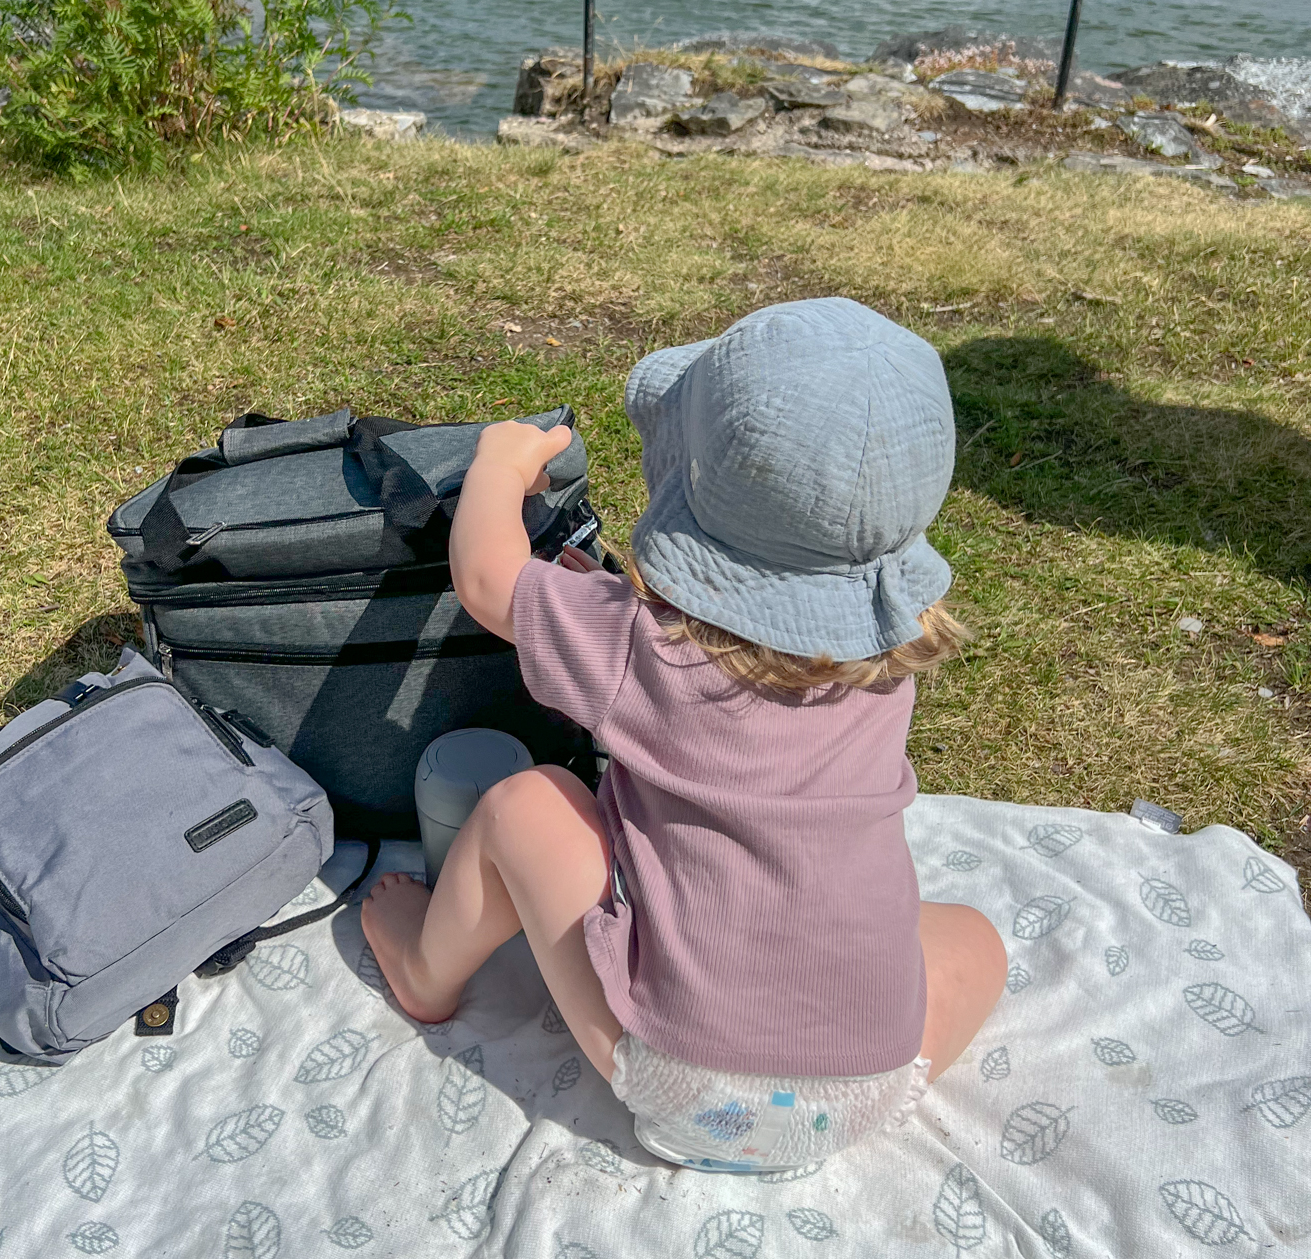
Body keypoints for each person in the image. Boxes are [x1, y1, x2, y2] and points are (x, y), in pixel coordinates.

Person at [362, 298, 1006, 1172]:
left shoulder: (634, 645)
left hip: (679, 1082)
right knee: (974, 939)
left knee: (524, 803)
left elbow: (485, 577)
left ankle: (423, 973)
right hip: (866, 1089)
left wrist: (499, 466)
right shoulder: (892, 654)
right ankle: (824, 1084)